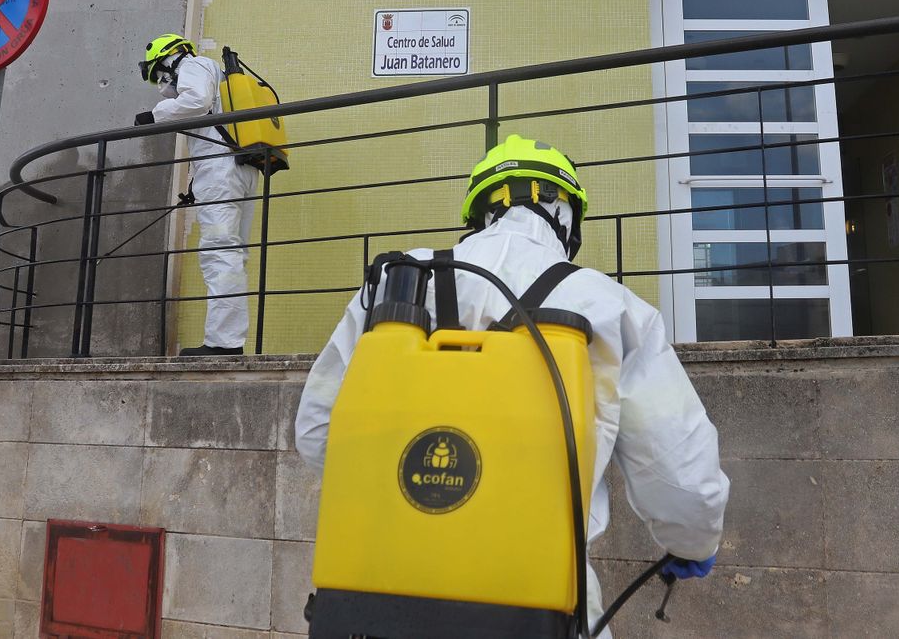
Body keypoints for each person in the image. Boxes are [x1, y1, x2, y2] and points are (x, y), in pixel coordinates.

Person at [295, 134, 729, 636]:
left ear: (480, 210)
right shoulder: (609, 305)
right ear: (565, 214)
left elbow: (318, 431)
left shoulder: (398, 281)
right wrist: (692, 544)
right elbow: (682, 477)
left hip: (371, 602)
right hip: (535, 607)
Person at [136, 33, 258, 356]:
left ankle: (223, 344)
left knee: (220, 253)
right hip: (239, 169)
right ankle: (229, 340)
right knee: (232, 256)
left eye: (160, 74)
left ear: (170, 58)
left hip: (222, 173)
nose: (162, 84)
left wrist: (155, 115)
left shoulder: (193, 65)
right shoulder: (214, 74)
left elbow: (195, 101)